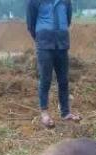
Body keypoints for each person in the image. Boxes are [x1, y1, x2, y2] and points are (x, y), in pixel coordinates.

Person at [26, 0, 80, 128]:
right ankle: (44, 113)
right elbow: (31, 24)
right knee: (45, 79)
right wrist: (41, 38)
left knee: (63, 80)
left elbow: (68, 20)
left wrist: (59, 33)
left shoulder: (65, 2)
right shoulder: (34, 1)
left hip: (62, 44)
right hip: (44, 45)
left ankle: (65, 112)